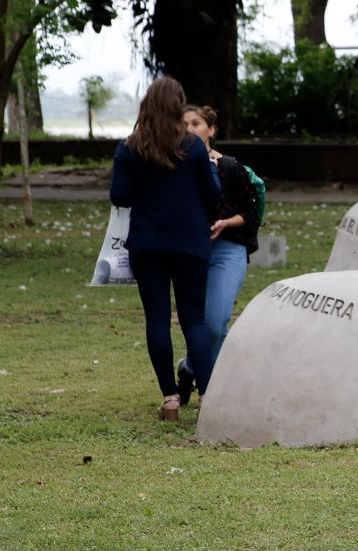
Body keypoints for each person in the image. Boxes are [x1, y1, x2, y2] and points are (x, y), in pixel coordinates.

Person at [110, 77, 220, 421]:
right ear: (178, 105)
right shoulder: (194, 146)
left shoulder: (130, 147)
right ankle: (206, 396)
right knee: (194, 321)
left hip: (148, 243)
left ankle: (170, 399)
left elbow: (119, 196)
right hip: (190, 242)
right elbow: (213, 195)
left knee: (156, 319)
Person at [175, 105, 262, 407]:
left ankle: (190, 368)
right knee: (198, 323)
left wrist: (226, 222)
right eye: (183, 124)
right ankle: (216, 391)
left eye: (196, 123)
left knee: (216, 322)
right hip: (190, 251)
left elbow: (251, 214)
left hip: (228, 248)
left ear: (211, 130)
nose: (188, 129)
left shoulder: (230, 167)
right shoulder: (173, 167)